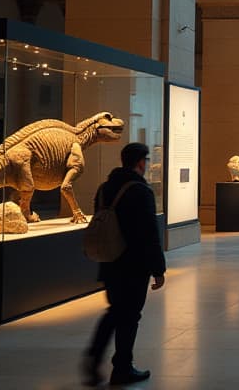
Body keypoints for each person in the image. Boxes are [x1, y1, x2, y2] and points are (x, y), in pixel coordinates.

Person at [82, 142, 166, 387]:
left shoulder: (105, 188)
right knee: (129, 315)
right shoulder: (141, 190)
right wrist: (158, 268)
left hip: (109, 261)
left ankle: (95, 356)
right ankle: (122, 368)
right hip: (133, 265)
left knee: (115, 311)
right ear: (141, 162)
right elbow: (150, 233)